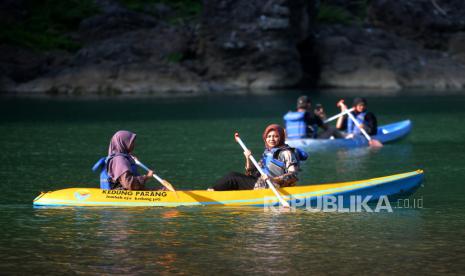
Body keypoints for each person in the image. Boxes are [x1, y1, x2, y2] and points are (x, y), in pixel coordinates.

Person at [210, 124, 304, 191]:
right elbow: (251, 173)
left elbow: (293, 175)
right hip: (260, 182)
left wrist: (273, 179)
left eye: (276, 136)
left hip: (270, 186)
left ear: (281, 138)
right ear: (265, 138)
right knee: (233, 179)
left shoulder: (286, 153)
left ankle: (210, 192)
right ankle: (214, 192)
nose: (271, 139)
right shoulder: (268, 152)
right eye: (269, 136)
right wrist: (248, 158)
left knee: (232, 177)